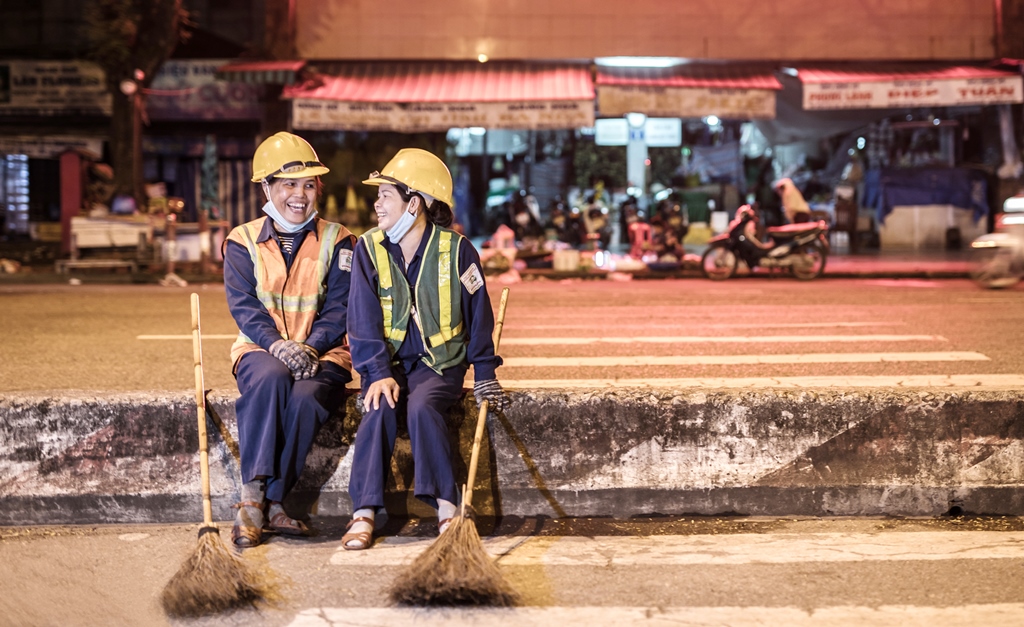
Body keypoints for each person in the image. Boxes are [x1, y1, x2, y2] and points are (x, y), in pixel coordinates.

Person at [343, 148, 508, 551]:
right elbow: (361, 320)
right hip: (387, 364)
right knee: (378, 407)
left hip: (440, 366)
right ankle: (363, 512)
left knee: (422, 407)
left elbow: (479, 314)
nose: (376, 203)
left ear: (413, 203)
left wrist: (485, 373)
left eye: (385, 195)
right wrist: (376, 371)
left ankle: (447, 507)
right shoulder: (369, 248)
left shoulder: (458, 250)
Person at [223, 132, 356, 548]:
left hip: (325, 352)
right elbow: (244, 306)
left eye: (309, 184)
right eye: (289, 184)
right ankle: (254, 497)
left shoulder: (341, 241)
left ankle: (272, 502)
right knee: (271, 378)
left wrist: (312, 346)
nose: (300, 195)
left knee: (303, 399)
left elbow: (341, 307)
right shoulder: (240, 241)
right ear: (267, 188)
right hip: (262, 351)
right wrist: (279, 346)